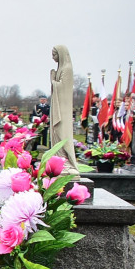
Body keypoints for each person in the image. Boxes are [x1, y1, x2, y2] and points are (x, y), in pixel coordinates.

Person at [49, 45, 79, 174]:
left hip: (63, 108)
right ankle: (58, 158)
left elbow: (63, 88)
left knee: (62, 131)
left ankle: (65, 160)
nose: (52, 57)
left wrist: (53, 81)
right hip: (57, 106)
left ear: (60, 54)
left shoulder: (67, 69)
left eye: (54, 54)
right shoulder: (60, 69)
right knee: (56, 132)